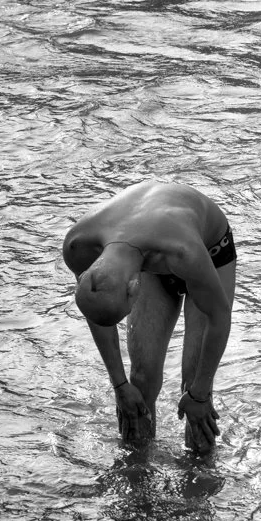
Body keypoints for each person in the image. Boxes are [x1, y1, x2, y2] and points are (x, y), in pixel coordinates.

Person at [61, 180, 235, 453]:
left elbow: (220, 316)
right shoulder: (78, 246)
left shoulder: (183, 252)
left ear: (134, 289)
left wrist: (200, 393)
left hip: (205, 249)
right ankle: (138, 479)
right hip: (149, 250)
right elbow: (96, 311)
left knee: (194, 385)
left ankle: (200, 481)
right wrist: (120, 385)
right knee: (140, 382)